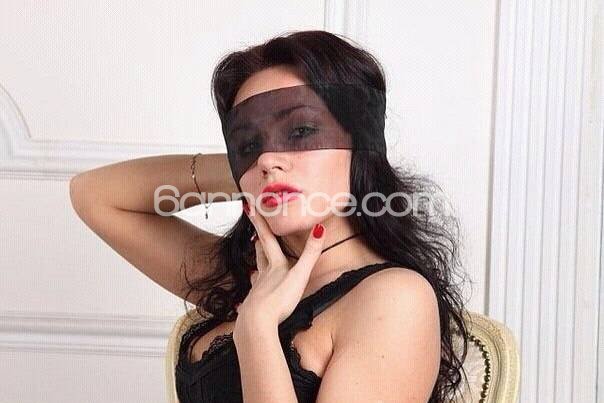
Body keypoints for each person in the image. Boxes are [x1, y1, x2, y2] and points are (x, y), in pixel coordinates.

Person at [70, 30, 471, 403]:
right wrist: (250, 171)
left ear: (361, 142)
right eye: (247, 144)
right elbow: (93, 194)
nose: (266, 159)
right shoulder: (246, 275)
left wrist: (257, 329)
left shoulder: (396, 298)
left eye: (301, 132)